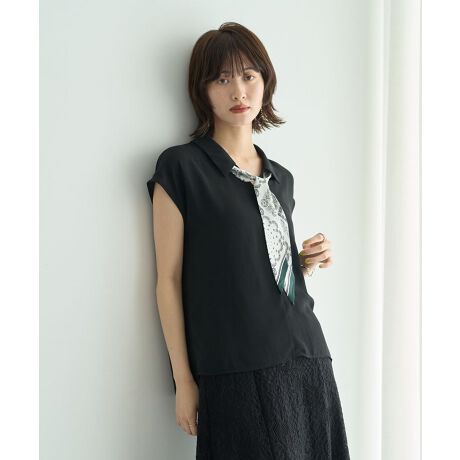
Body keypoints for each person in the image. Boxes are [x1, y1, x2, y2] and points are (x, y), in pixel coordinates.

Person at [147, 22, 350, 459]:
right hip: (235, 363)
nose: (238, 91)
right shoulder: (182, 168)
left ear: (265, 82)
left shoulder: (281, 179)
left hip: (308, 356)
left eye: (248, 76)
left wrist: (305, 261)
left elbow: (255, 267)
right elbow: (169, 279)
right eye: (222, 79)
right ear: (202, 91)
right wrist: (184, 380)